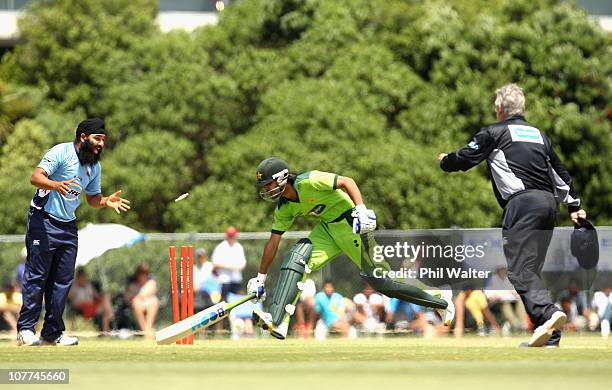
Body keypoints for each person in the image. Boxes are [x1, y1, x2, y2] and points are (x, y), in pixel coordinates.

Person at [438, 84, 586, 347]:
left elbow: (466, 157)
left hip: (522, 206)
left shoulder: (493, 132)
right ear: (522, 109)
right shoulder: (539, 135)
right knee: (530, 270)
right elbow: (561, 176)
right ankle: (549, 333)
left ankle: (549, 314)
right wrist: (574, 207)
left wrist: (445, 161)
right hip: (549, 205)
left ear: (499, 110)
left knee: (518, 270)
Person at [247, 157, 454, 339]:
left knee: (384, 283)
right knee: (296, 257)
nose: (266, 190)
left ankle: (439, 300)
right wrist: (260, 278)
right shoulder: (284, 207)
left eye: (268, 184)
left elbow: (347, 181)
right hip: (328, 230)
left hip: (351, 226)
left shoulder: (310, 180)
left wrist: (361, 210)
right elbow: (273, 242)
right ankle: (278, 320)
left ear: (282, 178)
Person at [17, 118, 130, 347]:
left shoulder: (94, 166)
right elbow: (35, 177)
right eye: (97, 139)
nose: (101, 144)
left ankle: (52, 333)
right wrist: (55, 185)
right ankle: (26, 330)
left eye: (103, 140)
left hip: (68, 226)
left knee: (63, 281)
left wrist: (106, 201)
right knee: (37, 276)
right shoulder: (61, 152)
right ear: (83, 137)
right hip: (43, 219)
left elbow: (92, 198)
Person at [67, 268, 114, 334]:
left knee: (106, 297)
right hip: (82, 307)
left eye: (84, 276)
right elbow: (68, 297)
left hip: (92, 305)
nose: (83, 278)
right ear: (78, 277)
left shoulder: (89, 286)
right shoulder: (74, 287)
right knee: (106, 311)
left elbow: (98, 296)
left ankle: (105, 331)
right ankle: (110, 317)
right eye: (81, 276)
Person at [485, 266, 528, 334]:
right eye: (501, 269)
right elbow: (488, 295)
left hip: (512, 301)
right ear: (497, 270)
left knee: (521, 302)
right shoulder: (492, 279)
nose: (503, 271)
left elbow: (516, 291)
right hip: (498, 303)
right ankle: (516, 325)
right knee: (506, 305)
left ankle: (523, 324)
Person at [211, 226, 247, 300]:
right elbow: (215, 263)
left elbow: (242, 264)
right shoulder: (221, 247)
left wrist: (227, 265)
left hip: (236, 279)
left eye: (233, 235)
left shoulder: (239, 247)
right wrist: (231, 266)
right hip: (224, 280)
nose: (231, 237)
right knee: (224, 301)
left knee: (236, 301)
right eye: (230, 235)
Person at [126, 264, 159, 336]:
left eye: (144, 274)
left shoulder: (151, 282)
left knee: (154, 301)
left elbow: (151, 291)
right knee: (136, 302)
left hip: (150, 303)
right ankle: (146, 332)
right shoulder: (132, 284)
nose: (142, 276)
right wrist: (138, 297)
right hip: (138, 305)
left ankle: (147, 329)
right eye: (140, 274)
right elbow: (129, 296)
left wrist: (140, 296)